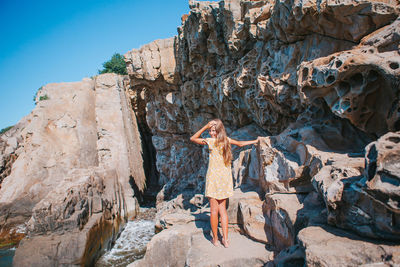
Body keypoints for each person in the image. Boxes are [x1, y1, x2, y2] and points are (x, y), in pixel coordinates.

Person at [190, 119, 259, 248]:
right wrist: (255, 141)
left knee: (214, 211)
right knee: (222, 211)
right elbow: (240, 144)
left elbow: (193, 138)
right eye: (210, 131)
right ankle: (225, 240)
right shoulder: (226, 140)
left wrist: (205, 126)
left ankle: (216, 239)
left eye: (213, 131)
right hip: (225, 179)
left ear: (218, 131)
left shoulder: (211, 142)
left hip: (213, 179)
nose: (210, 133)